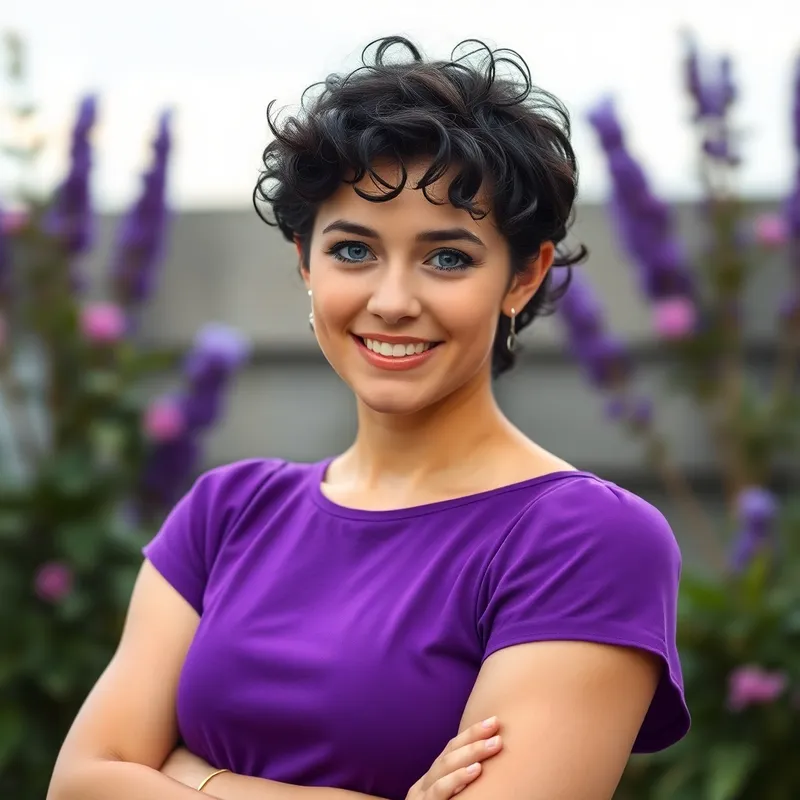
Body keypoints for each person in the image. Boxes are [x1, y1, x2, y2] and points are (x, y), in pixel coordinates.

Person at [47, 36, 690, 800]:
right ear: (304, 262)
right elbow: (80, 784)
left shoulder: (584, 540)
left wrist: (188, 777)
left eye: (447, 257)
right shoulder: (226, 514)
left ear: (523, 277)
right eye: (352, 249)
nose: (392, 300)